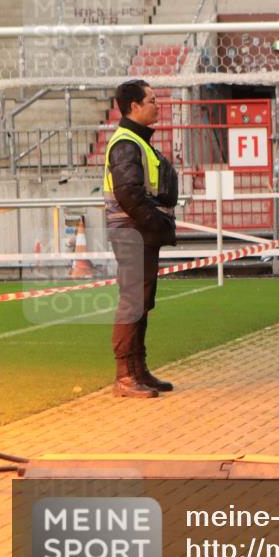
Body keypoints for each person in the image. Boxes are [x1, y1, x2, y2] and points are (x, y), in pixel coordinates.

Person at [104, 79, 179, 398]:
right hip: (133, 232)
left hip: (139, 231)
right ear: (134, 106)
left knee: (141, 302)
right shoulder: (126, 144)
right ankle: (125, 376)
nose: (157, 105)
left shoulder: (136, 141)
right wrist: (157, 222)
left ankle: (138, 370)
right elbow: (128, 194)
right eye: (152, 100)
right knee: (133, 302)